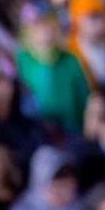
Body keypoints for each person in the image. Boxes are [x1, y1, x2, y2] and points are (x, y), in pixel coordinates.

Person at [15, 8, 90, 140]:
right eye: (38, 29)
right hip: (37, 131)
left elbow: (83, 94)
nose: (45, 33)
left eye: (49, 27)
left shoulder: (70, 59)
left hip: (72, 129)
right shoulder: (21, 60)